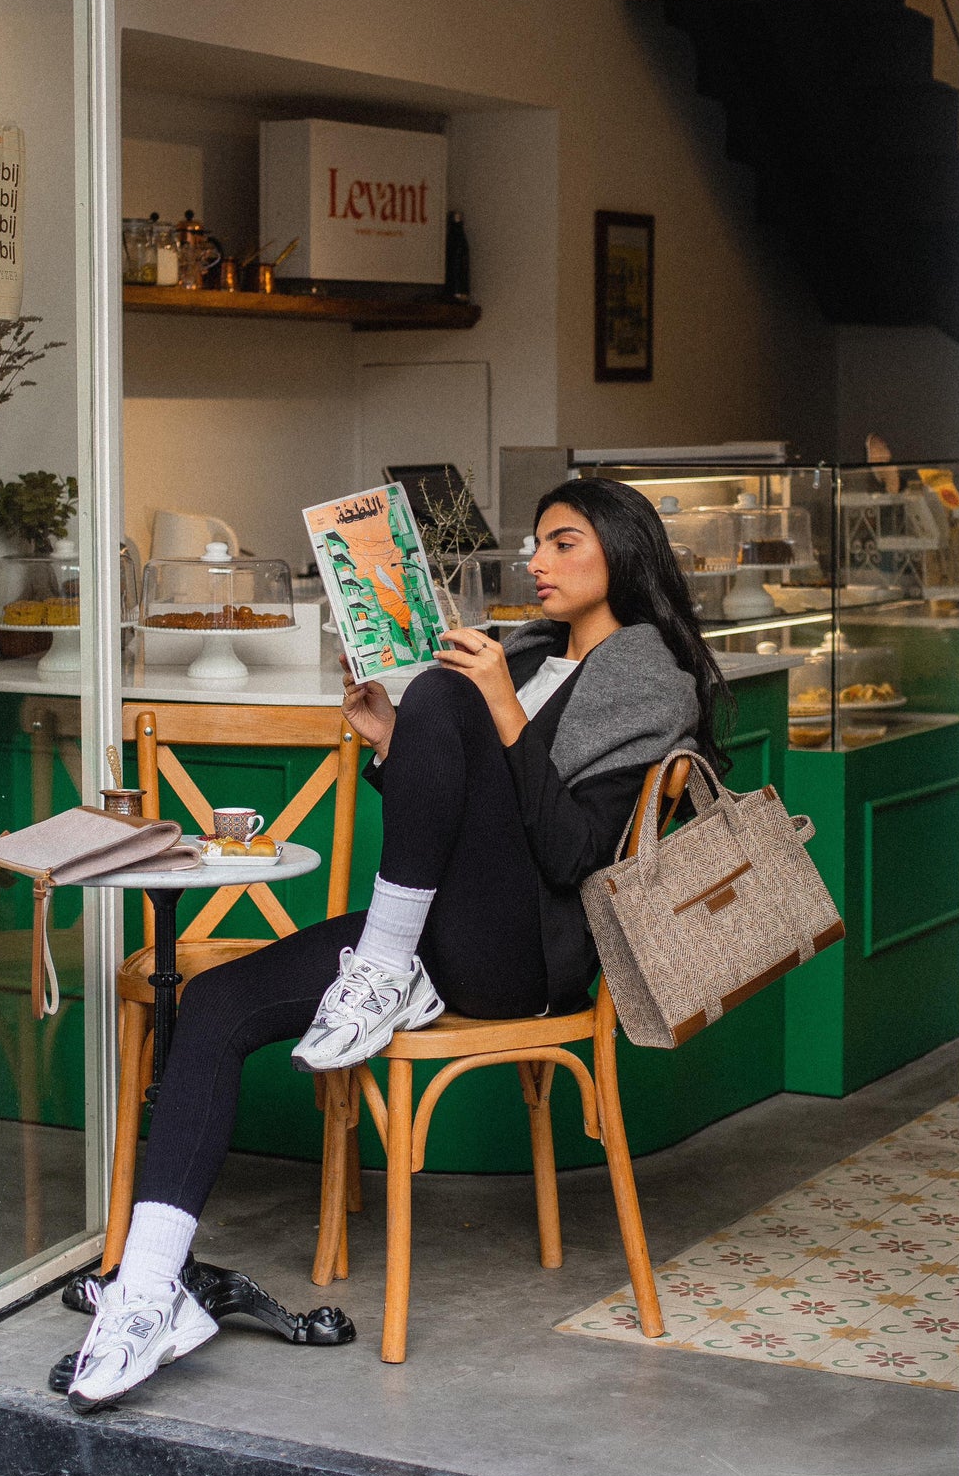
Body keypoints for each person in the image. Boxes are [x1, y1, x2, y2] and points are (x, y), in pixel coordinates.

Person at [67, 477, 730, 1411]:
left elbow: (574, 855)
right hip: (433, 932)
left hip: (527, 960)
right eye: (535, 543)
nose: (536, 562)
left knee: (448, 692)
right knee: (214, 1005)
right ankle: (149, 1291)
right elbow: (460, 817)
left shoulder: (644, 677)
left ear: (623, 553)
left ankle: (381, 969)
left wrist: (494, 708)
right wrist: (390, 743)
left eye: (563, 543)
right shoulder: (527, 650)